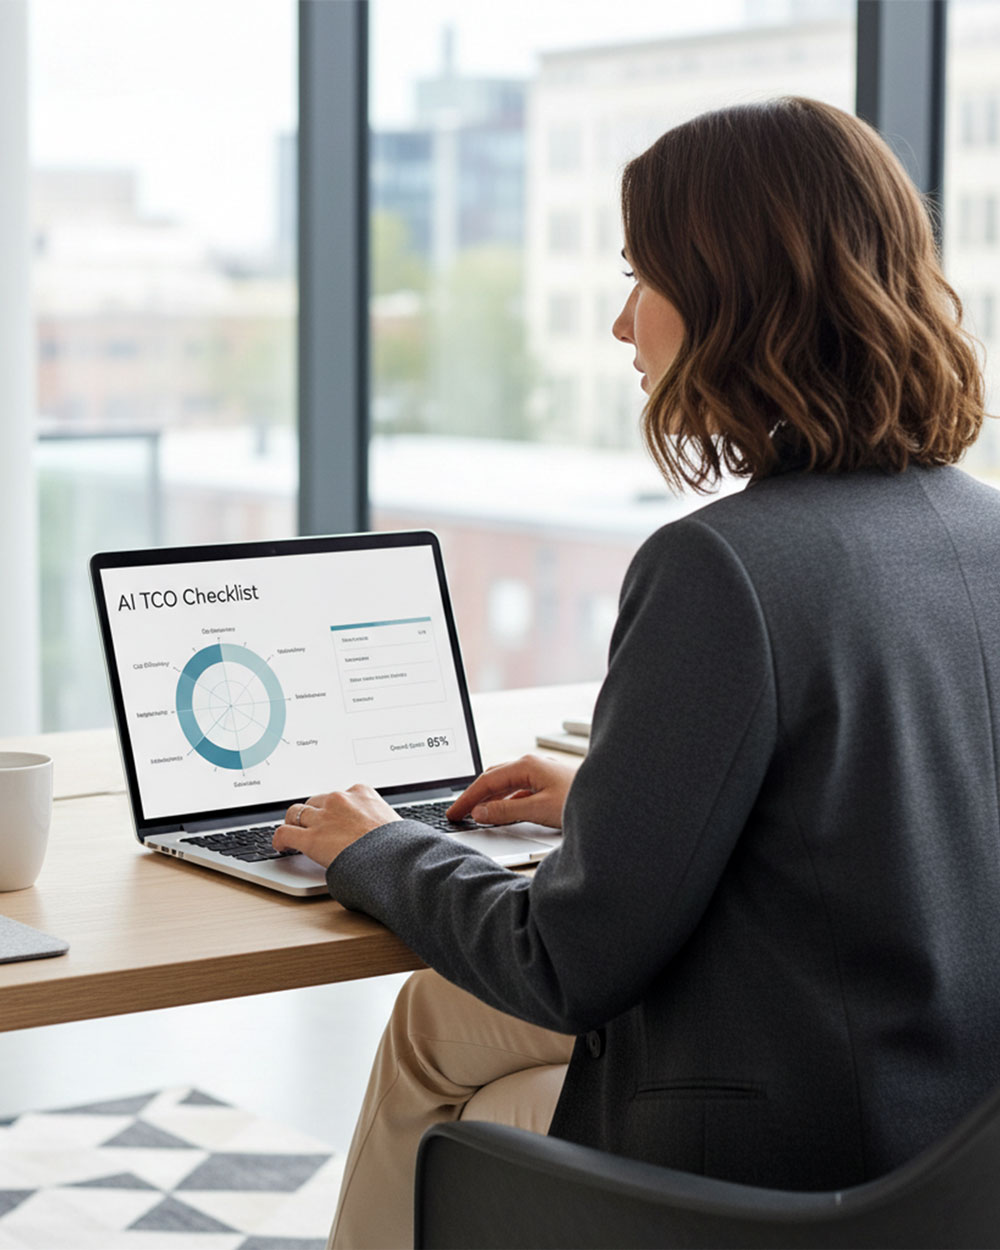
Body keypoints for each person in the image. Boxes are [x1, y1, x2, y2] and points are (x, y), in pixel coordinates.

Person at [274, 96, 1000, 1249]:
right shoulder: (980, 528)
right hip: (953, 1136)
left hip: (790, 1168)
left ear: (734, 299)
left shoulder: (720, 566)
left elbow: (565, 962)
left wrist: (374, 844)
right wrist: (613, 804)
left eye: (642, 278)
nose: (623, 325)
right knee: (433, 1016)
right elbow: (898, 809)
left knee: (460, 1099)